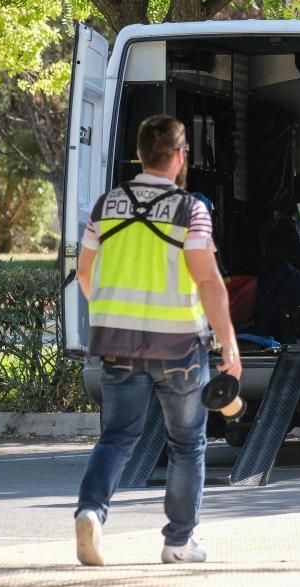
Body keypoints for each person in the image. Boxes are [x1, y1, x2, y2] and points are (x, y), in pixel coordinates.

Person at [73, 114, 243, 565]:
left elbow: (86, 272)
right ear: (180, 156)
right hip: (179, 347)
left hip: (117, 342)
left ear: (141, 155)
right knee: (187, 443)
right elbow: (207, 280)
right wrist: (229, 344)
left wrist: (114, 310)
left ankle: (91, 511)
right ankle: (178, 541)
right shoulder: (192, 210)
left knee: (116, 438)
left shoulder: (105, 206)